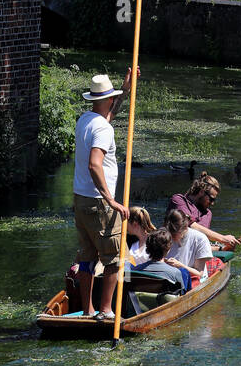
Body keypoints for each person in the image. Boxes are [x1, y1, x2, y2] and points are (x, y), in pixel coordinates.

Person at [73, 68, 138, 320]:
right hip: (100, 203)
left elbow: (108, 116)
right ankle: (106, 310)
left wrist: (127, 88)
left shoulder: (85, 120)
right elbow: (94, 163)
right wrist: (111, 199)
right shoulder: (103, 129)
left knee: (87, 257)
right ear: (108, 98)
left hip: (81, 200)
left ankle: (88, 310)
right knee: (115, 257)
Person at [170, 171, 241, 250]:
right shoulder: (178, 200)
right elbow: (188, 226)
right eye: (211, 199)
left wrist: (223, 248)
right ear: (201, 192)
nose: (212, 203)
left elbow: (201, 246)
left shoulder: (207, 214)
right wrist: (223, 239)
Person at [134, 227, 193, 292]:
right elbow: (181, 295)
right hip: (168, 301)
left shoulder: (136, 270)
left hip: (144, 301)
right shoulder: (175, 273)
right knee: (184, 271)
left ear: (148, 247)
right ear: (168, 248)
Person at [165, 207, 212, 274]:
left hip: (193, 278)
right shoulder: (164, 234)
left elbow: (199, 273)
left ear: (185, 229)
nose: (171, 236)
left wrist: (180, 266)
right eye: (169, 232)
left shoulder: (200, 239)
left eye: (174, 234)